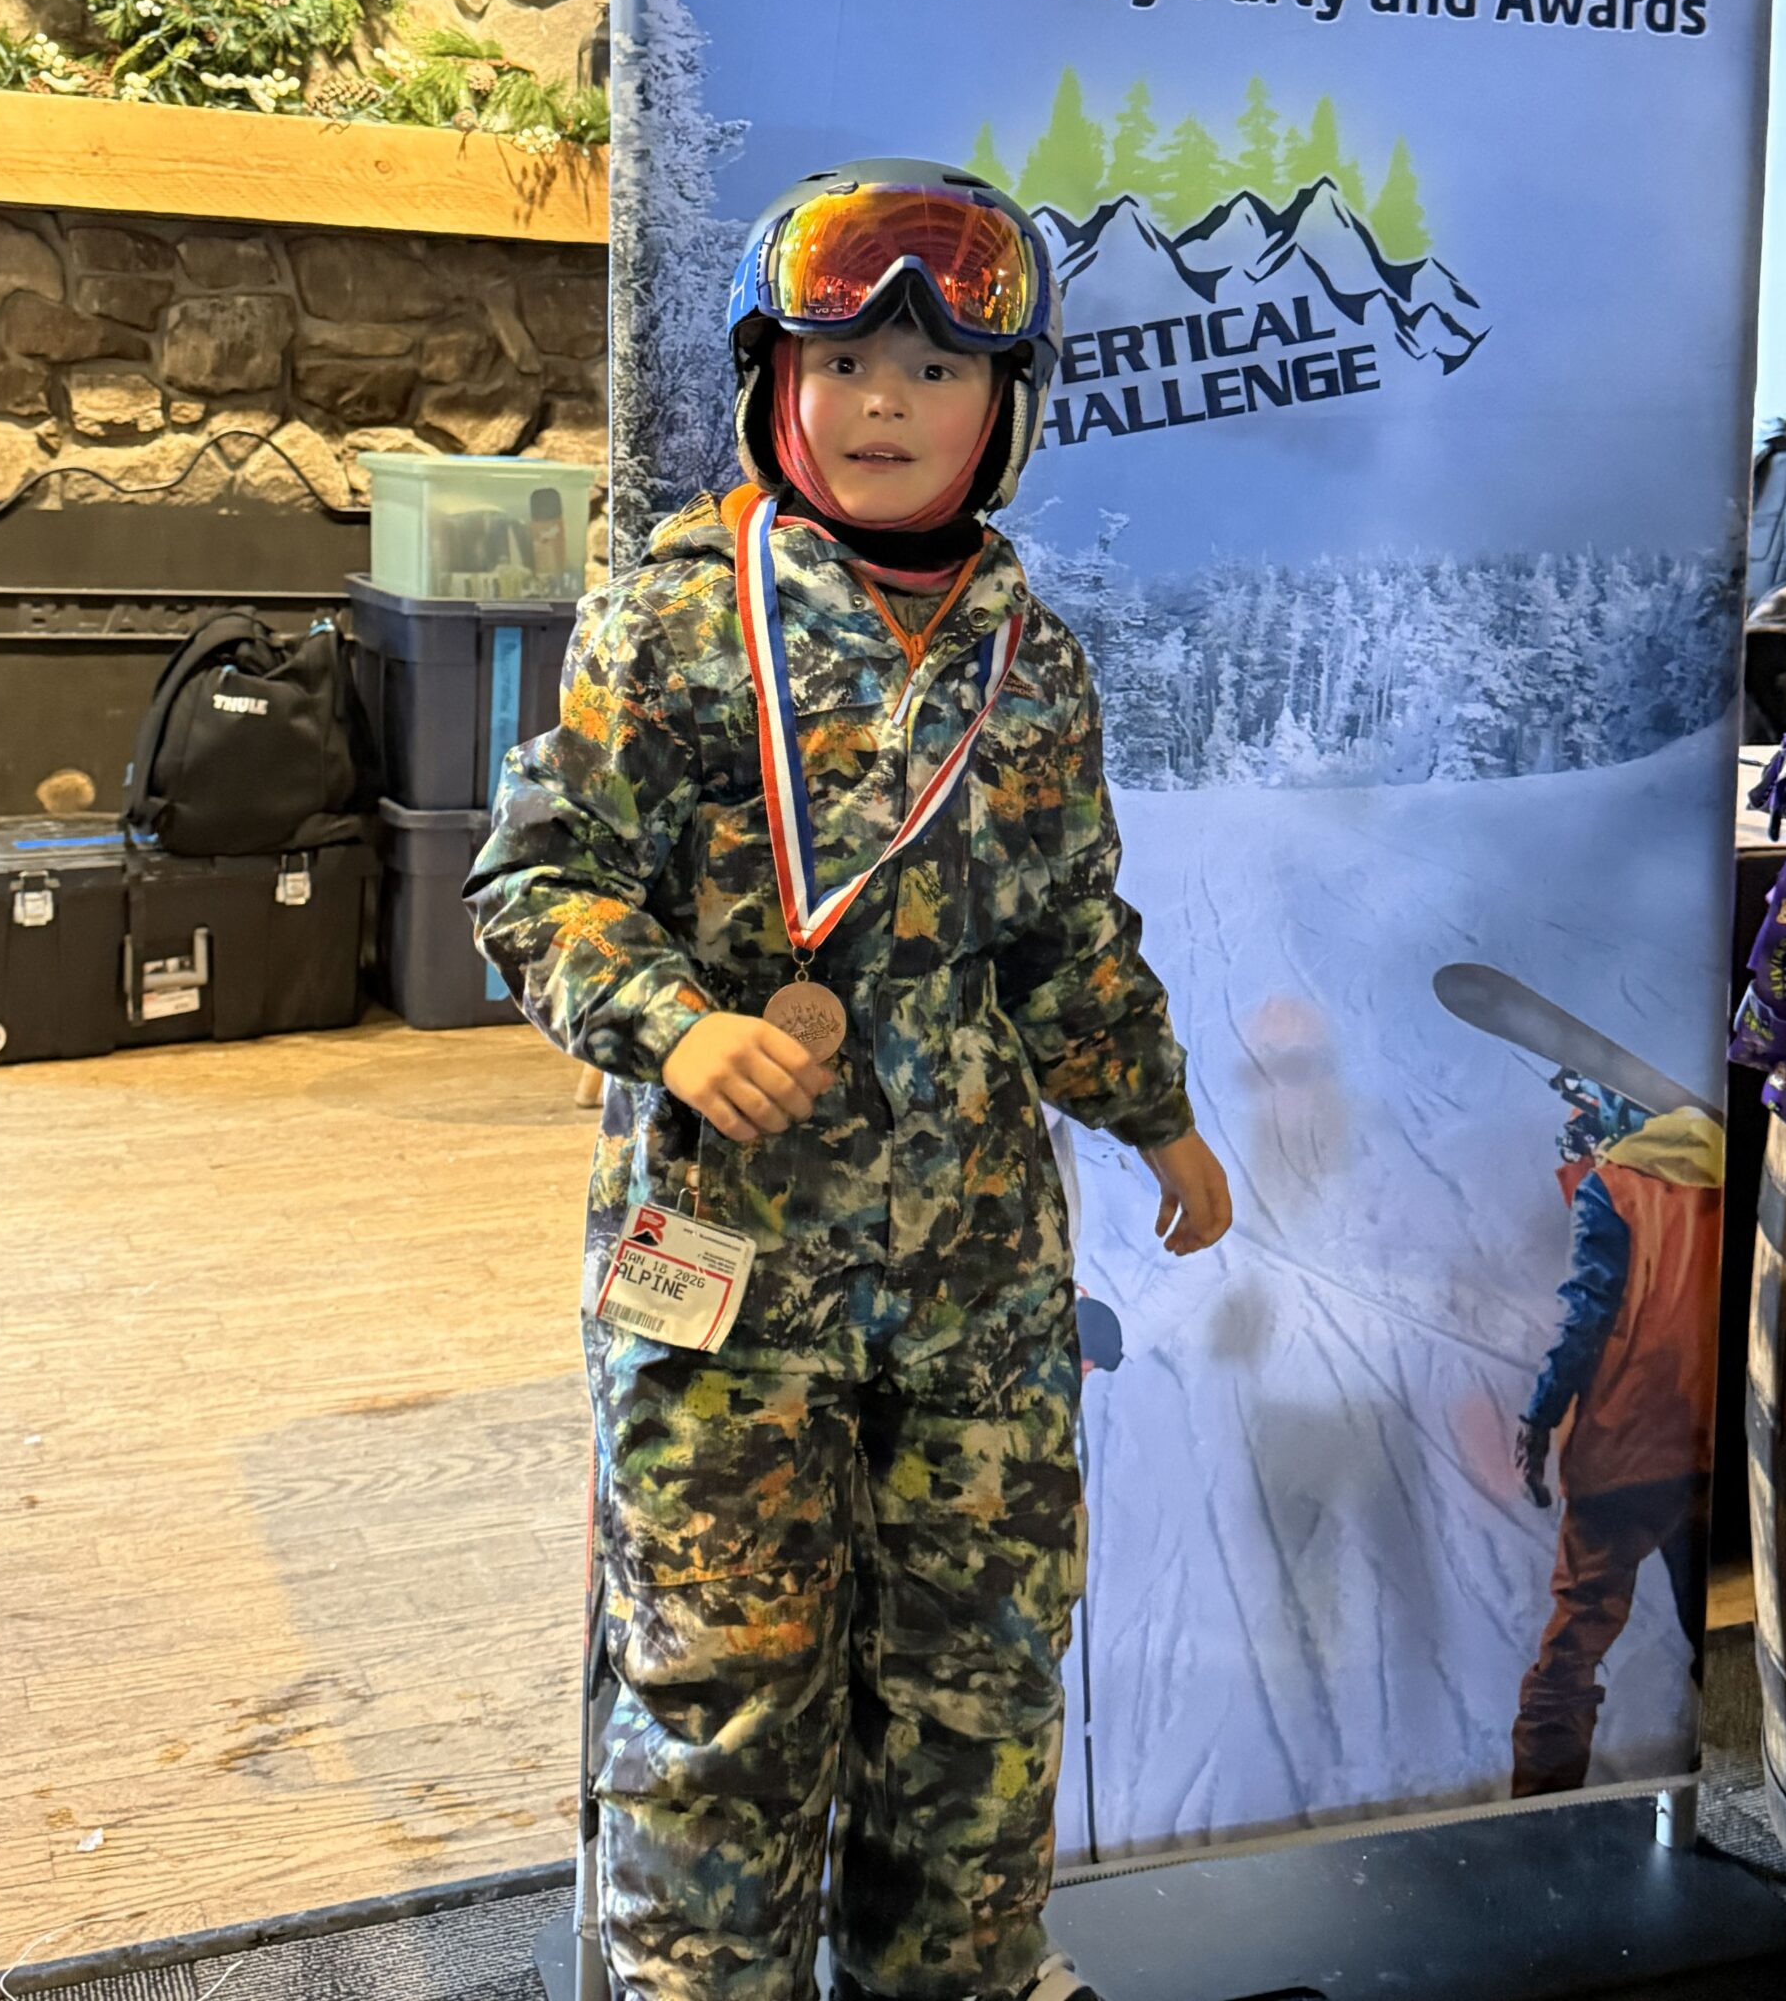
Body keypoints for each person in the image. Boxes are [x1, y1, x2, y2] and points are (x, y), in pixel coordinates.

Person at [468, 161, 1231, 2001]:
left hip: (975, 1282)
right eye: (842, 363)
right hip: (728, 1279)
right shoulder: (674, 620)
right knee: (721, 1696)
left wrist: (1157, 1114)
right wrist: (674, 1020)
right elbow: (536, 881)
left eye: (937, 369)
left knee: (978, 1679)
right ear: (774, 386)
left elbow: (1066, 932)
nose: (885, 402)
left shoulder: (1030, 663)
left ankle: (958, 1976)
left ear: (1006, 408)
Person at [1510, 1082, 1724, 1799]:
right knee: (1717, 1634)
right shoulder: (1727, 1172)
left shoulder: (1615, 1187)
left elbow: (1589, 1311)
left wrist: (1539, 1418)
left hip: (1624, 1452)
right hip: (1706, 1445)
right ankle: (1739, 1783)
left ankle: (1538, 1820)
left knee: (1570, 1657)